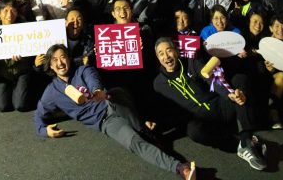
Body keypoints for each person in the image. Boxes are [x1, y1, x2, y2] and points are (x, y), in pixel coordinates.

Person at [33, 44, 196, 180]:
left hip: (111, 102)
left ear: (69, 59)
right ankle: (180, 168)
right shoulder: (51, 92)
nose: (60, 63)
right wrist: (45, 131)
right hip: (105, 122)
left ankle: (144, 130)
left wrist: (98, 92)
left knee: (117, 94)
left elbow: (93, 80)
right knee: (135, 143)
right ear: (50, 66)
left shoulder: (82, 70)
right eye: (55, 60)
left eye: (63, 57)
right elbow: (38, 116)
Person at [153, 38, 267, 171]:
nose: (166, 56)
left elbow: (210, 78)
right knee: (193, 131)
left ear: (177, 52)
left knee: (240, 79)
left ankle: (246, 139)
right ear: (158, 58)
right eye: (161, 53)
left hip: (221, 106)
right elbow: (163, 110)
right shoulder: (158, 84)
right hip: (205, 121)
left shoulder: (192, 62)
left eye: (169, 50)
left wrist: (228, 94)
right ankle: (240, 145)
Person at [0, 0, 39, 112]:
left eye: (13, 10)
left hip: (22, 71)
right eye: (5, 11)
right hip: (3, 73)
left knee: (20, 105)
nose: (9, 15)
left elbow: (34, 51)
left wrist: (23, 56)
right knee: (2, 106)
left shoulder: (27, 28)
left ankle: (26, 90)